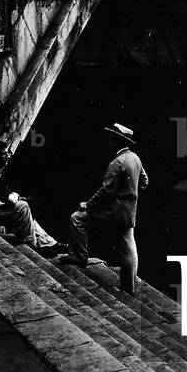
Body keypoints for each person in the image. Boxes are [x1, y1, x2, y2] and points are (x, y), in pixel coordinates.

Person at [60, 123, 148, 295]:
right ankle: (129, 288)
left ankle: (78, 257)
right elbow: (144, 182)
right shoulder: (135, 158)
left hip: (113, 212)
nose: (109, 141)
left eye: (111, 138)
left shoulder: (117, 162)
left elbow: (106, 192)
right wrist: (129, 194)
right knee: (129, 248)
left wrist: (88, 204)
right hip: (128, 212)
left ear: (117, 141)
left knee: (77, 218)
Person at [0, 139, 62, 256]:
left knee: (23, 208)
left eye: (7, 153)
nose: (7, 156)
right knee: (22, 207)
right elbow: (11, 200)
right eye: (3, 154)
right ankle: (32, 245)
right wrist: (16, 196)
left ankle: (48, 243)